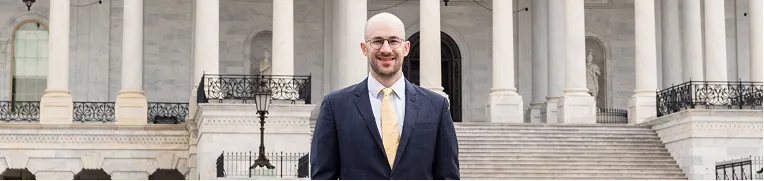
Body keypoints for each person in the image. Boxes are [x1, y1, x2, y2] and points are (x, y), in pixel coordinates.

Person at [310, 12, 460, 180]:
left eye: (394, 41)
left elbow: (448, 176)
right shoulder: (335, 106)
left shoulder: (436, 105)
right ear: (364, 48)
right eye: (377, 41)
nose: (386, 49)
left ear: (406, 48)